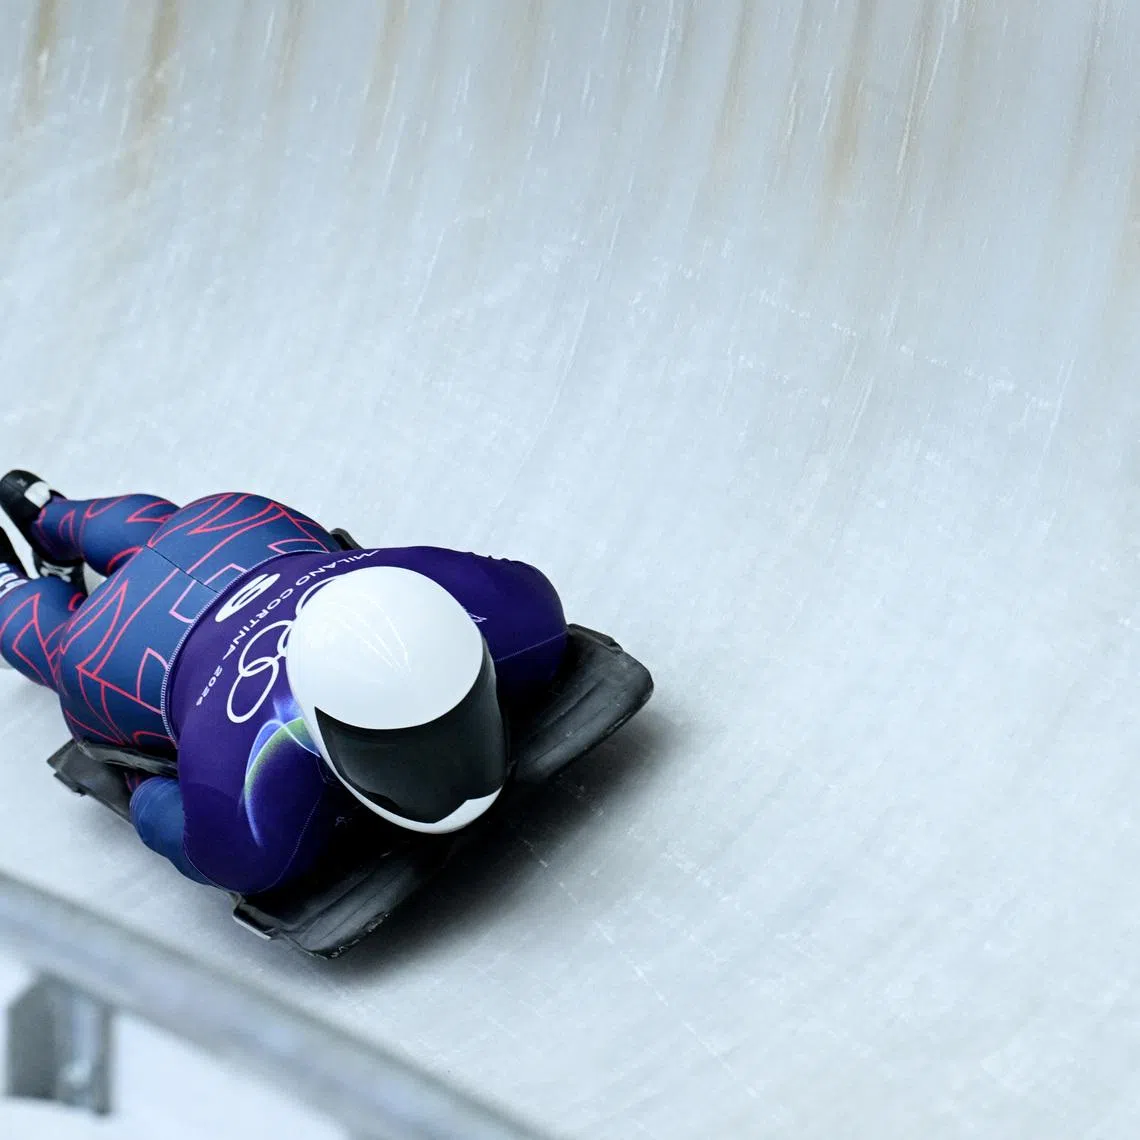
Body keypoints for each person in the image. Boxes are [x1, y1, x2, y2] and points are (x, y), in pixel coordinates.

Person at [0, 471, 567, 894]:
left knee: (168, 536)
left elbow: (158, 811)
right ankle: (13, 581)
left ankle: (50, 514)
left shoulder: (521, 617)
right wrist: (139, 779)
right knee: (62, 650)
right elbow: (157, 810)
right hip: (124, 648)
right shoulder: (249, 786)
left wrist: (148, 788)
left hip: (232, 536)